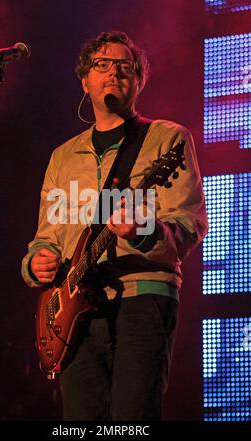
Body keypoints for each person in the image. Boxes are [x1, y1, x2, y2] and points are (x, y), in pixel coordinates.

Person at [21, 30, 208, 421]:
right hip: (75, 310)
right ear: (84, 80)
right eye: (101, 64)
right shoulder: (62, 157)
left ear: (139, 80)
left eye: (126, 66)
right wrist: (37, 260)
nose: (114, 72)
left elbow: (187, 226)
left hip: (143, 297)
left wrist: (144, 229)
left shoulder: (167, 139)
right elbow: (48, 236)